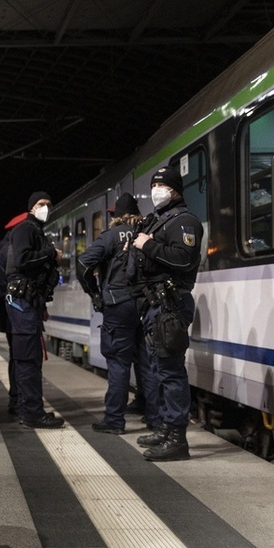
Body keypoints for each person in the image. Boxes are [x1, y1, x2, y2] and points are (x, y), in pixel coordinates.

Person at [129, 166, 203, 461]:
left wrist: (148, 245)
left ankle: (177, 439)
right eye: (154, 184)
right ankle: (163, 426)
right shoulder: (159, 220)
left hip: (171, 306)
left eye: (163, 184)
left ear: (175, 189)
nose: (157, 189)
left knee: (171, 372)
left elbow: (184, 260)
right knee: (160, 370)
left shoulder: (185, 221)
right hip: (156, 307)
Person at [77, 193, 159, 435]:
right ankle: (154, 418)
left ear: (115, 216)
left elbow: (83, 263)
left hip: (118, 305)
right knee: (145, 361)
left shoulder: (112, 235)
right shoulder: (147, 231)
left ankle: (114, 420)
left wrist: (94, 293)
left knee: (118, 362)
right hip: (145, 305)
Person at [5, 192, 65, 429]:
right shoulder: (25, 229)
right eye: (41, 205)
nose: (46, 208)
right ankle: (32, 413)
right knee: (29, 358)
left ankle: (27, 407)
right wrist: (51, 253)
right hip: (22, 303)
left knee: (28, 358)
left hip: (28, 303)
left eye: (49, 205)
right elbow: (22, 260)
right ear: (31, 208)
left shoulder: (34, 230)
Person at [0, 212, 28, 416]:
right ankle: (18, 400)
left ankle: (17, 399)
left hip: (9, 309)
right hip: (15, 310)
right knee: (20, 356)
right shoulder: (11, 250)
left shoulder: (2, 249)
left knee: (16, 355)